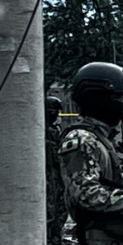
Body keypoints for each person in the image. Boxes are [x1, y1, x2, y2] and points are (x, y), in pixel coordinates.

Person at [59, 62, 123, 245]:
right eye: (118, 97)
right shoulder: (82, 139)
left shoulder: (106, 139)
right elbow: (83, 192)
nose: (122, 105)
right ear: (98, 99)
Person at [46, 95, 66, 244]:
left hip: (55, 179)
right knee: (51, 213)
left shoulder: (53, 131)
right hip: (49, 179)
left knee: (58, 212)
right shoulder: (45, 133)